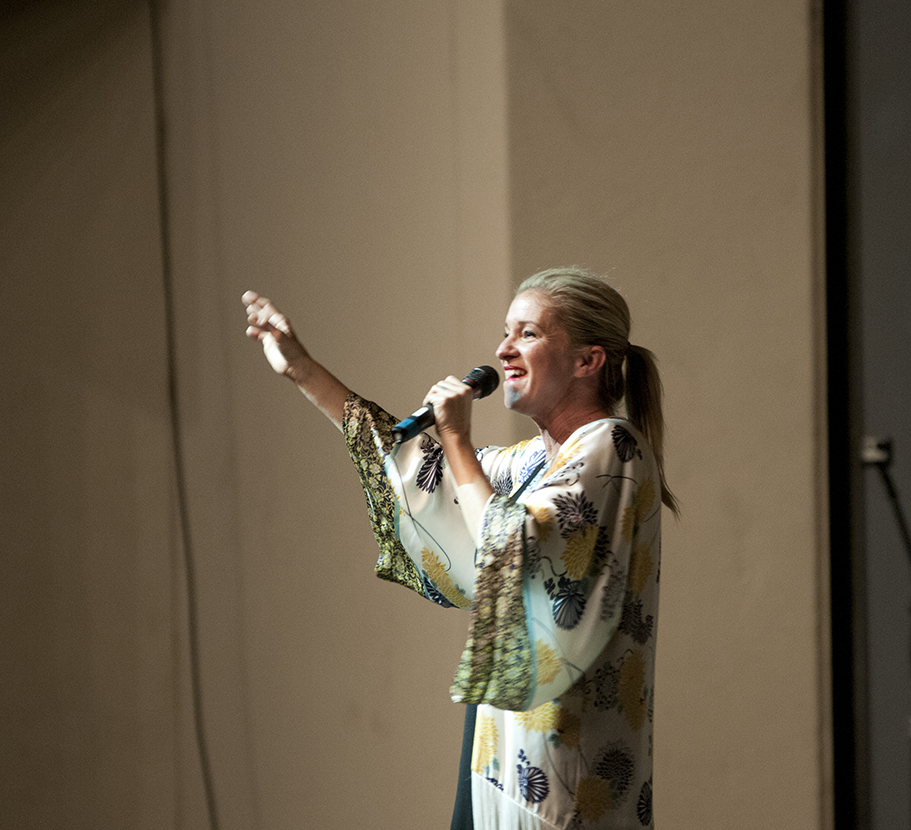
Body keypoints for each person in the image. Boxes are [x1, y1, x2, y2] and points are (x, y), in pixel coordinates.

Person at [243, 267, 675, 829]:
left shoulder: (610, 445)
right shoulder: (528, 462)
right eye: (505, 332)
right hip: (502, 758)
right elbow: (416, 468)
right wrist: (301, 368)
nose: (503, 350)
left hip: (570, 777)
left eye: (528, 333)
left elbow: (514, 541)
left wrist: (457, 439)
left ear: (587, 360)